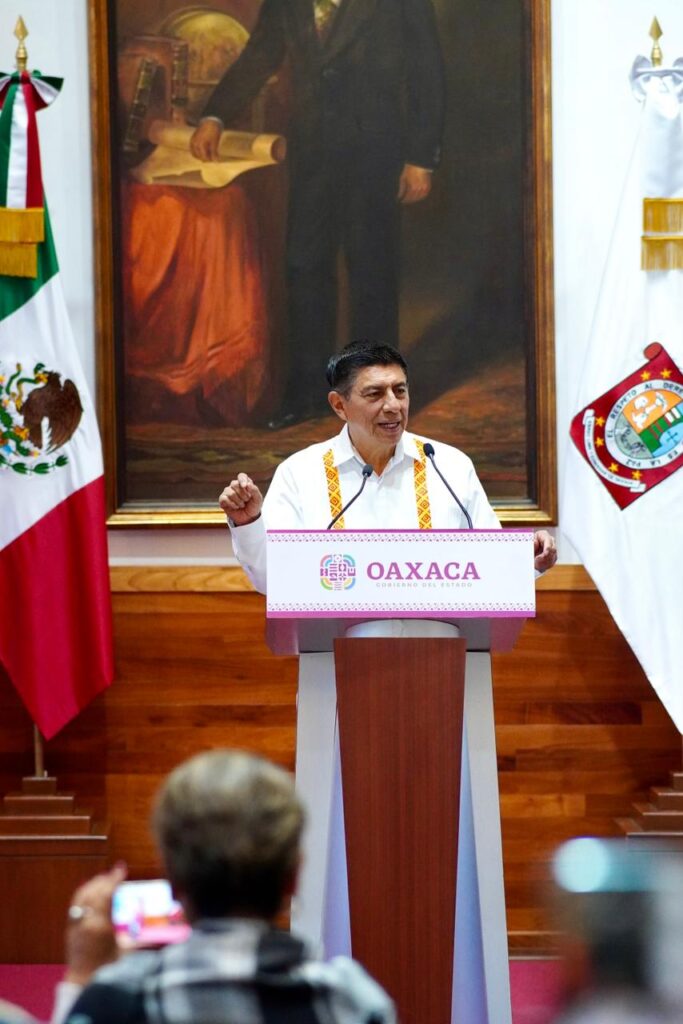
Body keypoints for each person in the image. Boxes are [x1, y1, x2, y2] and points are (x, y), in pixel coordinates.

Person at [190, 0, 446, 427]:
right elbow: (262, 50)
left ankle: (376, 396)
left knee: (371, 273)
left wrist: (422, 157)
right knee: (304, 267)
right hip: (312, 154)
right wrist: (215, 114)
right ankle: (307, 393)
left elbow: (427, 69)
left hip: (375, 153)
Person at [55, 750, 395, 1024]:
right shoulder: (353, 1003)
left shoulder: (114, 1002)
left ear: (174, 882)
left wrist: (81, 978)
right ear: (293, 877)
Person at [220, 339, 557, 592]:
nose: (393, 405)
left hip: (440, 648)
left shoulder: (449, 466)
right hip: (336, 653)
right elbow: (273, 580)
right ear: (339, 405)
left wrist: (527, 560)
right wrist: (249, 523)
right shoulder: (301, 473)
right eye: (375, 394)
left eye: (400, 391)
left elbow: (490, 567)